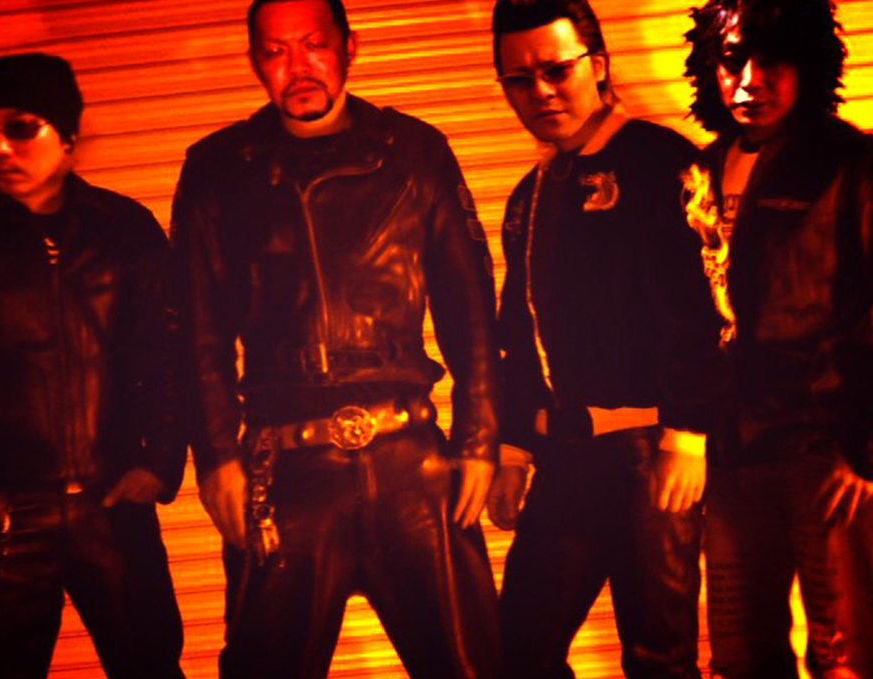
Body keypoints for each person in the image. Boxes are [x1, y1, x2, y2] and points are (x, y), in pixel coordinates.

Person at [170, 0, 501, 677]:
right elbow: (198, 330)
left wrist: (479, 434)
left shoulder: (414, 152)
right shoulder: (217, 170)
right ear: (254, 62)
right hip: (284, 472)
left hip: (410, 459)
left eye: (314, 44)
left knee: (473, 665)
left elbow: (469, 307)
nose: (298, 66)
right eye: (276, 51)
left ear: (349, 47)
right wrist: (216, 456)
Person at [0, 53, 186, 679]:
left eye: (20, 127)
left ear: (67, 135)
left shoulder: (123, 228)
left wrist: (159, 463)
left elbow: (170, 355)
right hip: (3, 518)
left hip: (112, 506)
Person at [486, 1, 723, 677]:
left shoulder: (661, 161)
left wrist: (688, 432)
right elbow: (518, 329)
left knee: (659, 657)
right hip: (568, 454)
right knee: (517, 649)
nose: (541, 92)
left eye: (556, 70)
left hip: (653, 452)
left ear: (597, 64)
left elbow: (702, 306)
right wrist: (513, 448)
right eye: (519, 79)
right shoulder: (531, 195)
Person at [683, 0, 873, 676]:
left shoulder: (850, 163)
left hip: (826, 451)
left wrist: (864, 448)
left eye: (774, 60)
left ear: (810, 65)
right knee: (741, 655)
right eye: (734, 58)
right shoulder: (699, 171)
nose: (750, 80)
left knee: (845, 654)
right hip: (732, 453)